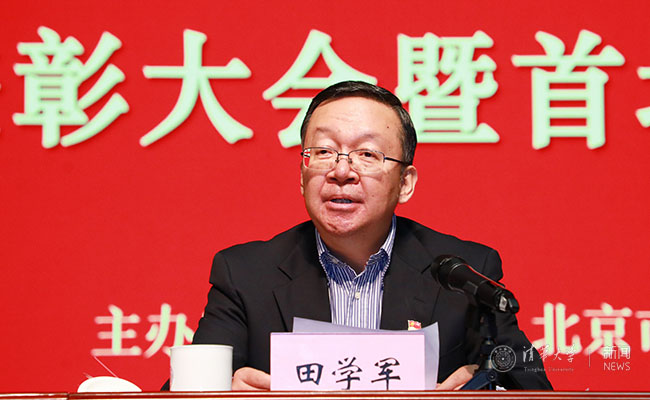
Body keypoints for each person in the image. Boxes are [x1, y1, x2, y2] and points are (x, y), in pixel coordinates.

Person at [188, 81, 552, 390]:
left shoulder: (462, 274)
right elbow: (182, 392)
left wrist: (486, 392)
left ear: (405, 183)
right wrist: (224, 395)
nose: (341, 171)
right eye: (324, 151)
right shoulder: (245, 275)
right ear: (302, 175)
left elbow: (533, 388)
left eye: (367, 154)